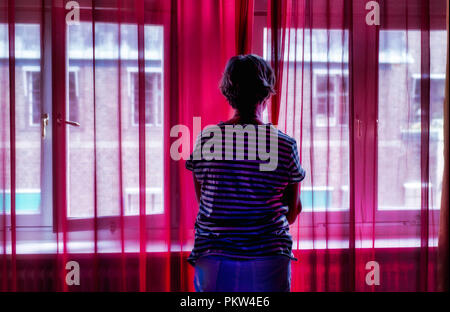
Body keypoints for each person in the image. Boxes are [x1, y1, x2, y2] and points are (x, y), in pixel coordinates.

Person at [185, 54, 305, 292]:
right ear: (266, 93)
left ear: (229, 93)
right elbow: (292, 213)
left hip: (214, 253)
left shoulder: (206, 140)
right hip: (269, 254)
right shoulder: (284, 145)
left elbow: (205, 202)